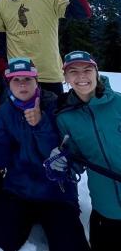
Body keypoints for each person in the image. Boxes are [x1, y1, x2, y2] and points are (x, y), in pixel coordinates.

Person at [0, 57, 89, 251]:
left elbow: (58, 155)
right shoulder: (5, 112)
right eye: (16, 80)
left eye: (27, 79)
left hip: (56, 191)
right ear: (9, 84)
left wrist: (40, 123)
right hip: (20, 189)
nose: (22, 85)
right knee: (3, 238)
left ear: (37, 81)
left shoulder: (55, 106)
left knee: (71, 246)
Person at [50, 51, 121, 250]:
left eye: (87, 70)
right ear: (65, 78)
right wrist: (62, 163)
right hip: (105, 209)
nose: (81, 76)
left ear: (96, 72)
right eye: (73, 71)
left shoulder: (119, 103)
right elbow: (76, 161)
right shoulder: (65, 118)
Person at [0, 0, 91, 94]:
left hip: (49, 75)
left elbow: (83, 12)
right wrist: (5, 71)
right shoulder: (0, 5)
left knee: (53, 115)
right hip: (20, 76)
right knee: (24, 116)